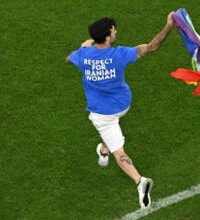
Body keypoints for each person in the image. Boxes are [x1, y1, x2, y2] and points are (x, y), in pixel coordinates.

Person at [65, 12, 174, 208]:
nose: (116, 32)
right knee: (111, 139)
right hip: (123, 105)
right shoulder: (119, 54)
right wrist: (168, 25)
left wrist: (85, 46)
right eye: (113, 30)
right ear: (107, 37)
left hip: (103, 115)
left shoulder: (82, 56)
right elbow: (152, 47)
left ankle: (140, 182)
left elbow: (69, 59)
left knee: (119, 152)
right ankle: (106, 151)